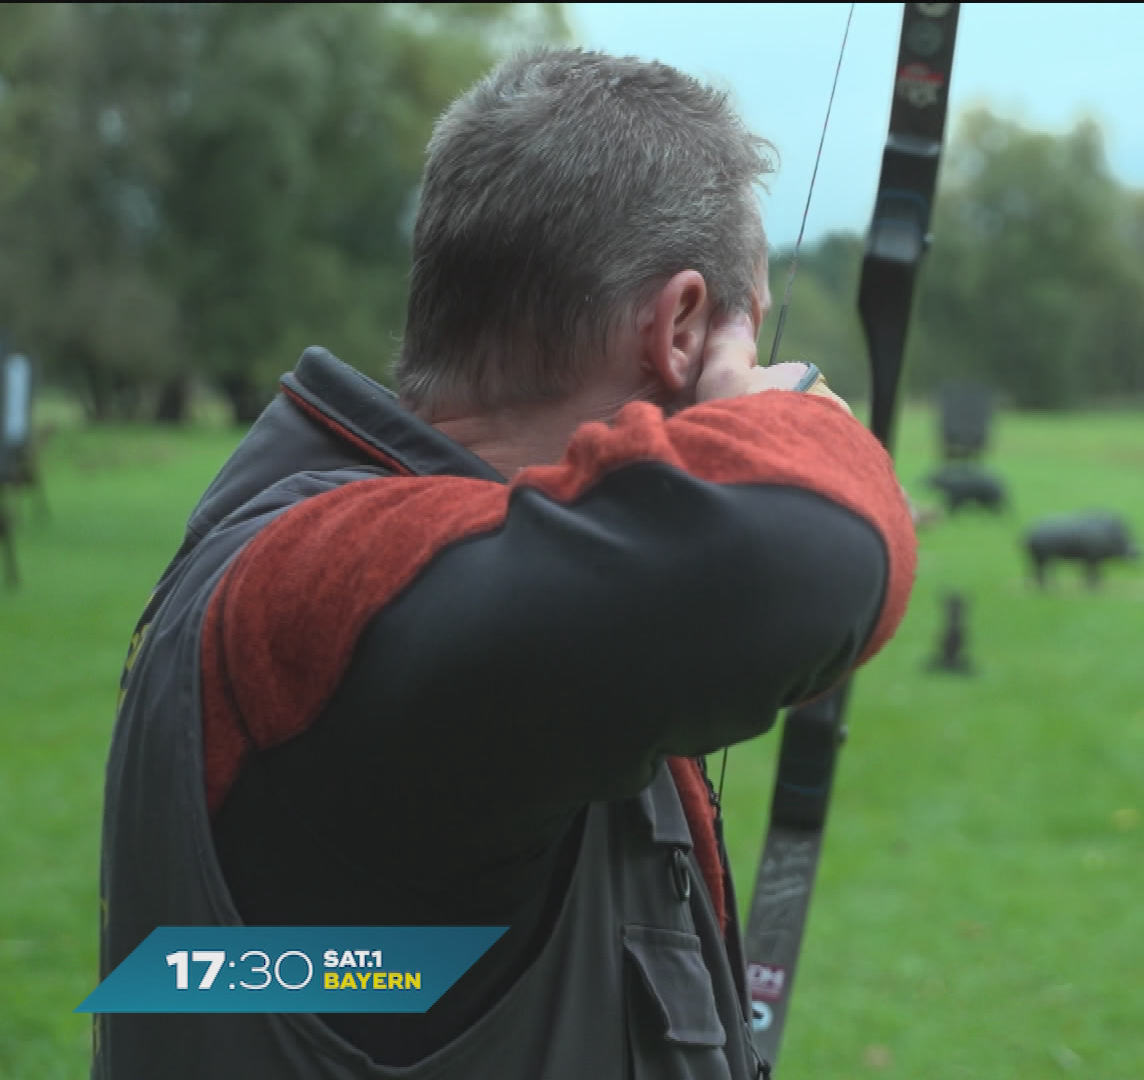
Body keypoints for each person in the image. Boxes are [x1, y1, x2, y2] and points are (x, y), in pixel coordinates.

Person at [95, 47, 916, 1080]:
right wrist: (791, 429)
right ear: (683, 329)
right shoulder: (323, 582)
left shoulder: (375, 565)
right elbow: (802, 548)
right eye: (742, 336)